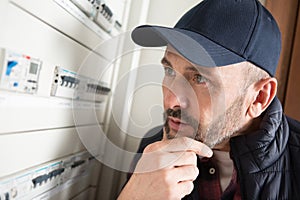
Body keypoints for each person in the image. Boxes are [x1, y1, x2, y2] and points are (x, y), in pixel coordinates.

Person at [118, 0, 300, 199]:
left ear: (259, 97)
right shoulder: (153, 150)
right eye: (169, 70)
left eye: (199, 78)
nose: (171, 101)